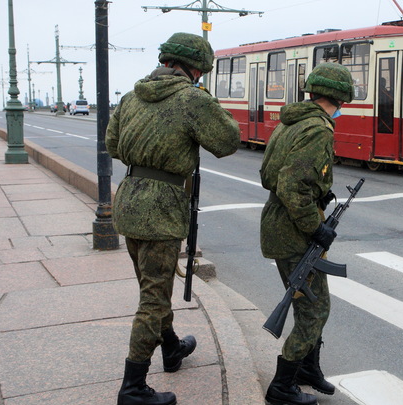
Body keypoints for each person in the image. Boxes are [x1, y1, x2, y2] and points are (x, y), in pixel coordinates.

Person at [106, 32, 240, 405]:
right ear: (195, 69)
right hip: (161, 208)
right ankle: (132, 387)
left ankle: (171, 348)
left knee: (152, 285)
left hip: (129, 200)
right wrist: (203, 103)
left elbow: (113, 145)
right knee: (154, 296)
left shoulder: (131, 96)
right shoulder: (192, 99)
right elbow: (228, 141)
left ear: (165, 61)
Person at [259, 62, 353, 405]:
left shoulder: (292, 122)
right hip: (294, 231)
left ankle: (307, 370)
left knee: (310, 303)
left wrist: (319, 194)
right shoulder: (318, 129)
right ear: (340, 97)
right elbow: (292, 185)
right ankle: (282, 385)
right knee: (315, 311)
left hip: (280, 224)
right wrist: (316, 229)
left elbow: (271, 174)